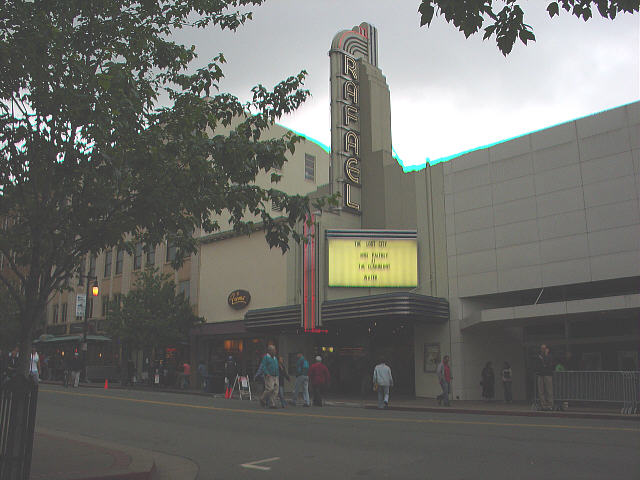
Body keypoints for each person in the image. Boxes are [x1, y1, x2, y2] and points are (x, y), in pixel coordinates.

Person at [534, 344, 554, 410]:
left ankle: (550, 405)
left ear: (547, 349)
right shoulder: (539, 356)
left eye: (544, 348)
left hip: (547, 374)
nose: (542, 350)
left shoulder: (550, 356)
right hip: (540, 374)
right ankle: (543, 405)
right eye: (541, 348)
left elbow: (547, 364)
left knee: (549, 390)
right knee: (541, 391)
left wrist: (543, 358)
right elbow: (537, 365)